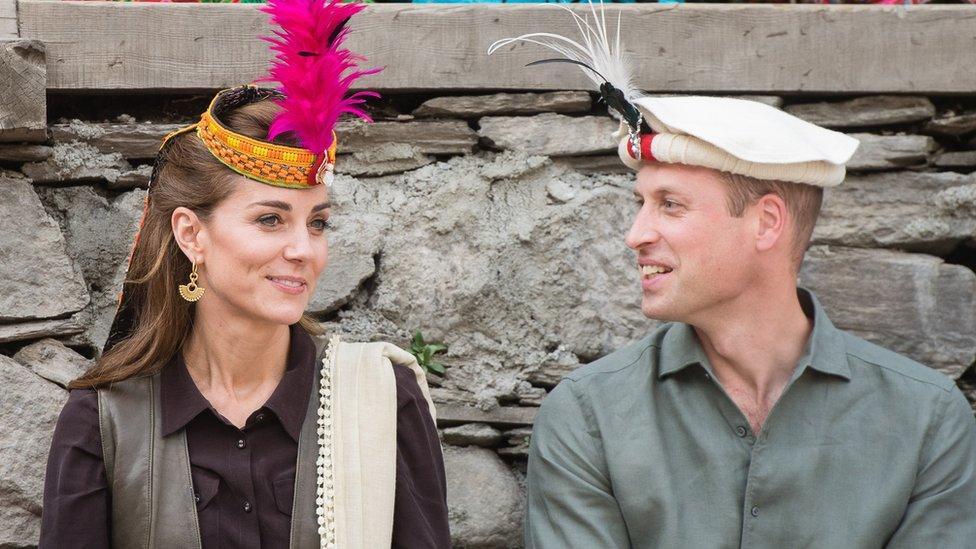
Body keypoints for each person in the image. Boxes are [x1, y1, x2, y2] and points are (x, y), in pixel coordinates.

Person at [489, 4, 976, 548]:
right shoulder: (587, 416)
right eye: (641, 203)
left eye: (670, 205)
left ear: (766, 222)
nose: (635, 234)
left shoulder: (928, 419)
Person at [40, 1, 450, 547]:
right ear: (192, 235)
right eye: (270, 220)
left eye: (318, 222)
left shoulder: (381, 398)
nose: (304, 250)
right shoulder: (106, 418)